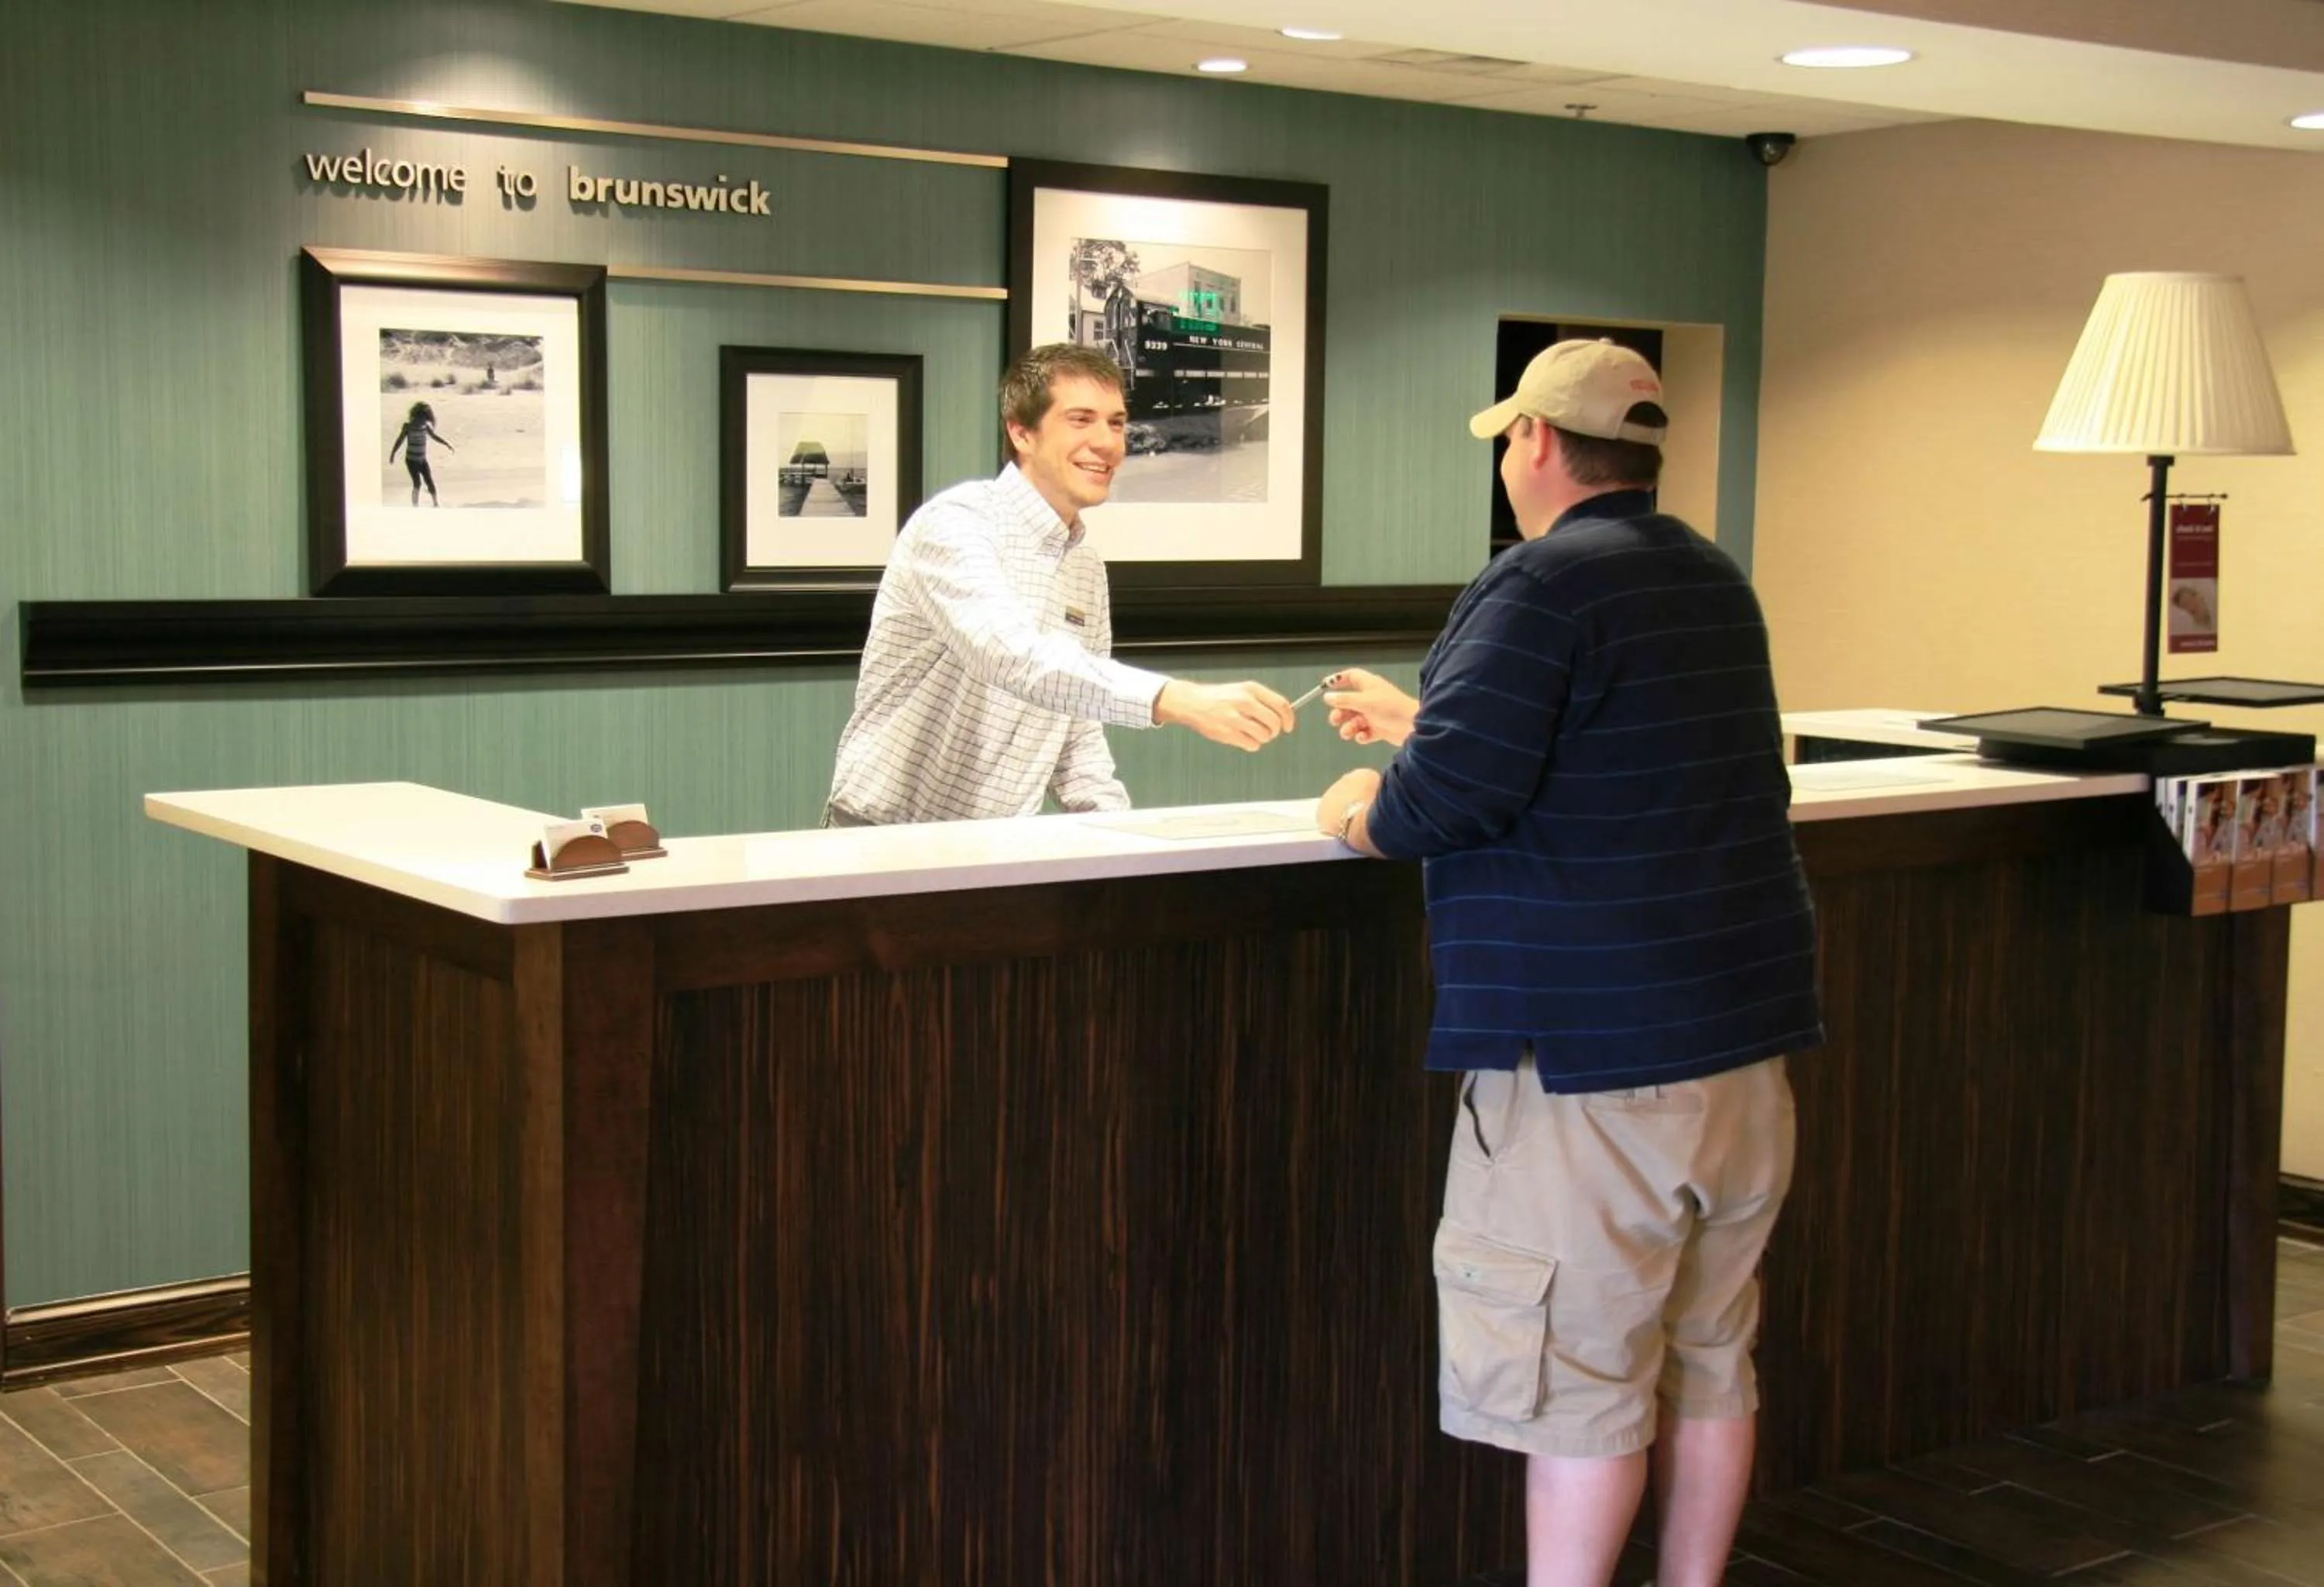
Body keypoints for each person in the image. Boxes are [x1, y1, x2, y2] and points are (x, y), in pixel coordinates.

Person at [1311, 339, 1823, 1587]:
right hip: (1741, 1051)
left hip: (1594, 1066)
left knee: (1580, 1388)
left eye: (1507, 441)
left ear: (1534, 442)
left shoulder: (1536, 583)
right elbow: (1617, 752)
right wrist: (1428, 719)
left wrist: (1354, 805)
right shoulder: (1710, 576)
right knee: (1709, 1357)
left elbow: (1443, 808)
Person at [824, 343, 1295, 826]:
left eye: (1116, 422)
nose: (1109, 442)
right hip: (881, 840)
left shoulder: (1085, 566)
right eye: (1081, 419)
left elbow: (1076, 731)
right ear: (1021, 432)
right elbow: (1007, 653)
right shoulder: (957, 522)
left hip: (997, 853)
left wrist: (1120, 838)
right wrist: (1178, 699)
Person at [387, 401, 454, 507]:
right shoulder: (407, 427)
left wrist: (446, 444)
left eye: (425, 419)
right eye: (422, 419)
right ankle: (415, 506)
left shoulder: (425, 427)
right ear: (417, 417)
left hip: (422, 460)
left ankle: (436, 504)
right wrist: (393, 454)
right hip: (411, 460)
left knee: (429, 481)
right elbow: (399, 441)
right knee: (417, 482)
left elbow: (434, 436)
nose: (423, 421)